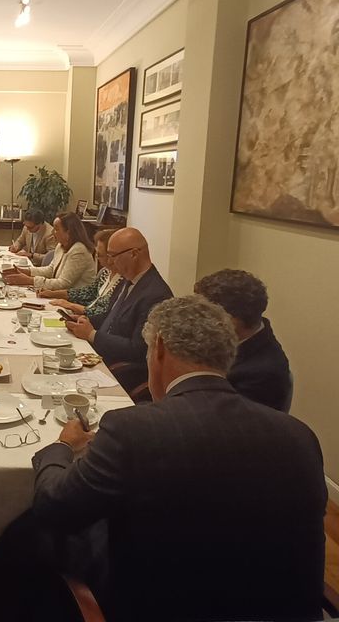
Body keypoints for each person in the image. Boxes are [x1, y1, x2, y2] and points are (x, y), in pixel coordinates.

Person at [32, 295, 327, 622]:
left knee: (35, 533)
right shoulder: (300, 436)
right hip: (278, 609)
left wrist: (61, 447)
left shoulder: (131, 430)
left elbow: (54, 505)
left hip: (160, 606)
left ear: (158, 348)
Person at [64, 227, 172, 390]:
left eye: (113, 256)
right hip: (99, 356)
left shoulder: (155, 295)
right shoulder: (127, 280)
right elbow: (111, 316)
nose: (110, 262)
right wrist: (84, 320)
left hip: (118, 371)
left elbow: (138, 349)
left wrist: (92, 335)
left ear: (134, 254)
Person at [195, 268, 292, 411]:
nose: (198, 319)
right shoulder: (234, 337)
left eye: (205, 313)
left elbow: (220, 418)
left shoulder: (263, 374)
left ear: (232, 320)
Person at [2, 212, 95, 291]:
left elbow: (63, 284)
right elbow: (51, 270)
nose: (52, 232)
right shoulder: (61, 246)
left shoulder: (79, 251)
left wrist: (30, 280)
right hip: (61, 295)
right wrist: (25, 271)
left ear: (68, 232)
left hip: (75, 300)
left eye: (56, 229)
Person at [40, 228, 121, 318]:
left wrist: (71, 306)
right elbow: (88, 292)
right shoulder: (105, 272)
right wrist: (53, 293)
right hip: (84, 317)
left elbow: (104, 313)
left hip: (94, 322)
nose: (97, 258)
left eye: (100, 255)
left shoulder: (123, 282)